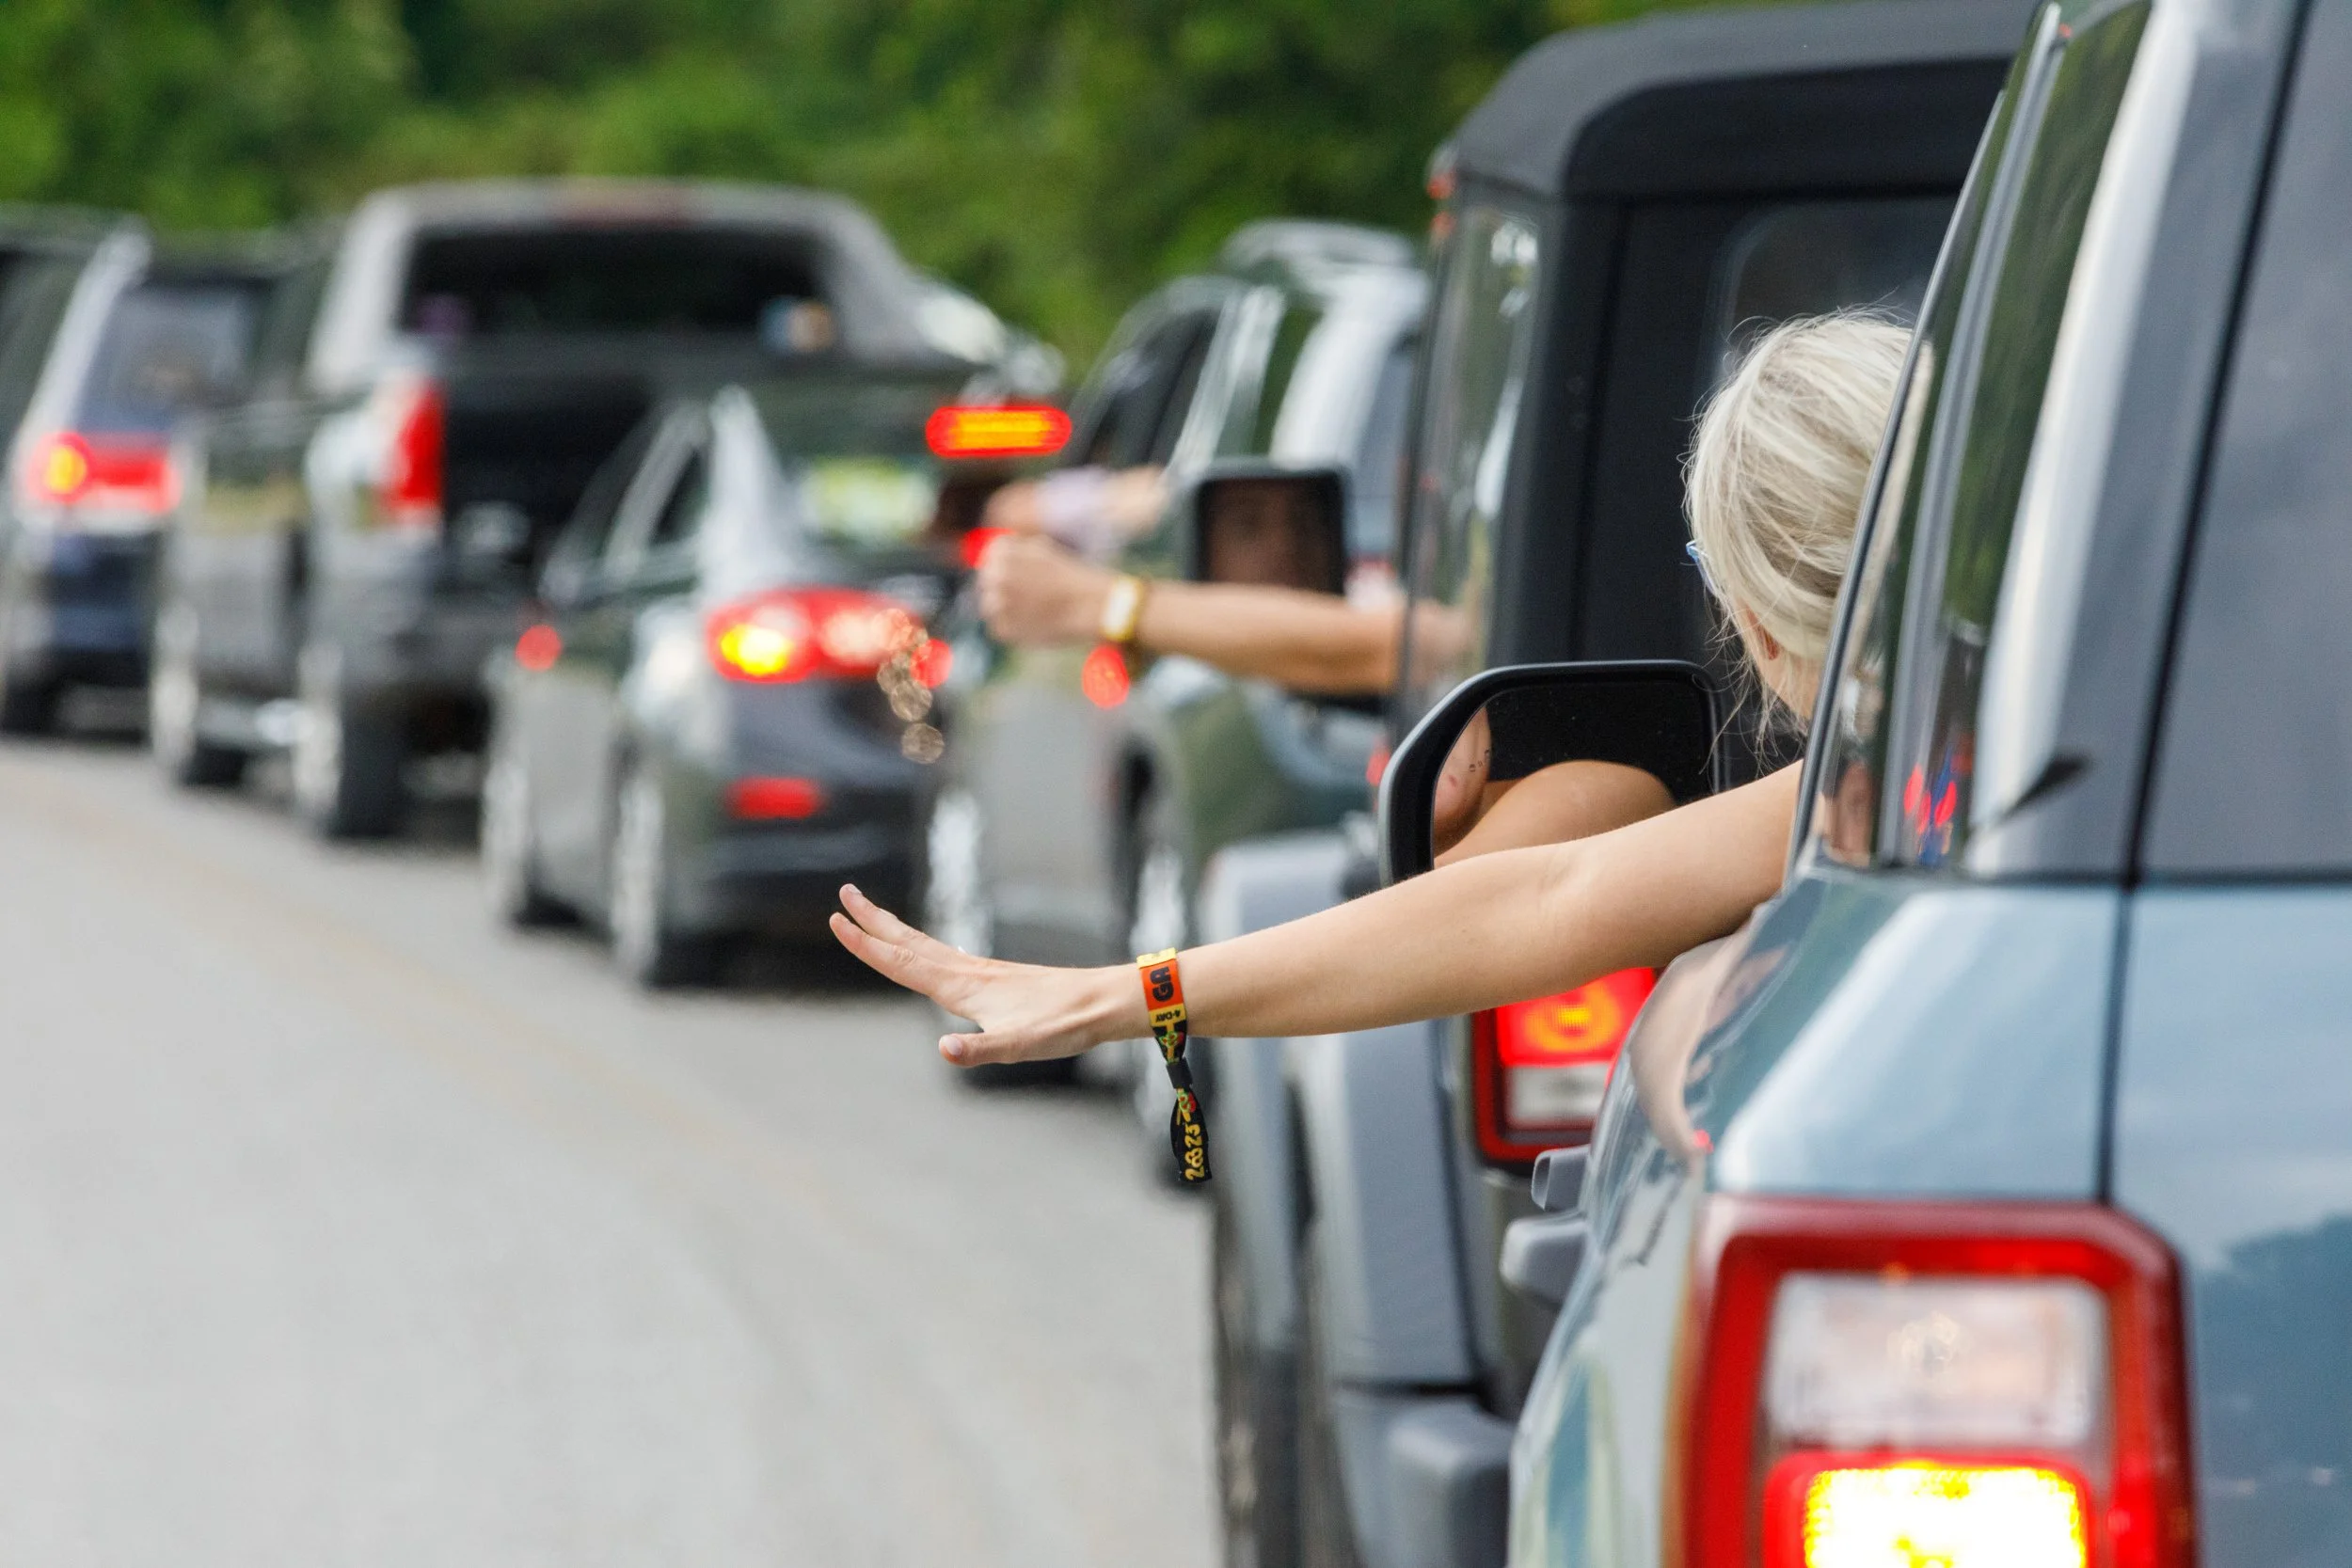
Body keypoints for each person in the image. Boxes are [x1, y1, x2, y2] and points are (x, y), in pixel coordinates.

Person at [836, 313, 1910, 1066]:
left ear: (1754, 618)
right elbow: (1543, 889)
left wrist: (1111, 994)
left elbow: (1543, 900)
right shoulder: (1991, 757)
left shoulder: (1867, 798)